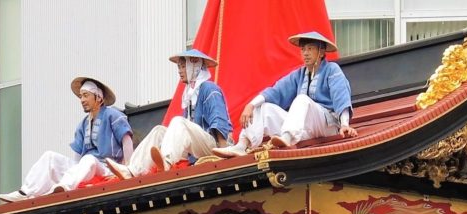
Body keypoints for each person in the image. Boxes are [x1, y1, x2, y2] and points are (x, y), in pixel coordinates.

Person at [213, 31, 356, 157]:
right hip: (303, 130)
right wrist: (251, 105)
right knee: (264, 107)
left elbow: (341, 96)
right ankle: (242, 145)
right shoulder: (299, 74)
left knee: (301, 100)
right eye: (303, 49)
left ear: (322, 52)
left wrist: (344, 124)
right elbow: (275, 91)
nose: (305, 53)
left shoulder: (332, 69)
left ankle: (287, 137)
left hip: (327, 125)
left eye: (310, 49)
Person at [107, 47, 231, 179]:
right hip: (195, 150)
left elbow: (219, 120)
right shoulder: (189, 94)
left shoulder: (209, 88)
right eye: (179, 67)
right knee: (158, 131)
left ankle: (166, 161)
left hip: (214, 147)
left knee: (178, 122)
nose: (180, 71)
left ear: (195, 66)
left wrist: (224, 153)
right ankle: (133, 170)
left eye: (183, 67)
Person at [0, 78, 131, 202]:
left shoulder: (112, 115)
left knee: (89, 159)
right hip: (85, 170)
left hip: (108, 168)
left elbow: (126, 140)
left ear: (98, 98)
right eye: (81, 96)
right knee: (49, 156)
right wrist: (77, 170)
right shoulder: (83, 124)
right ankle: (25, 192)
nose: (82, 100)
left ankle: (63, 187)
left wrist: (126, 169)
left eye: (86, 95)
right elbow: (77, 159)